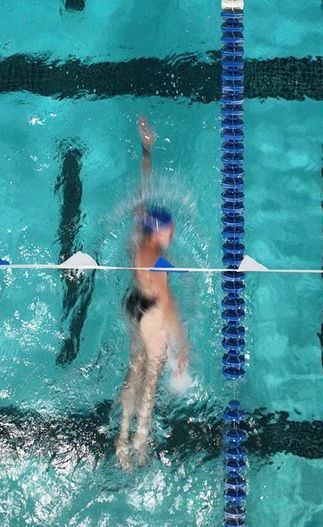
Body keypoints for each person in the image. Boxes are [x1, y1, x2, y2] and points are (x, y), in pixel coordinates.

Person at [116, 115, 188, 469]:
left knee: (134, 367)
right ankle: (140, 441)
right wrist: (183, 342)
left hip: (132, 305)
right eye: (170, 227)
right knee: (152, 376)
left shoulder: (138, 236)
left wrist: (147, 150)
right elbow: (168, 304)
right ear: (160, 231)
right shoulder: (157, 257)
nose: (173, 231)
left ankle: (120, 437)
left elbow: (143, 193)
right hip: (151, 315)